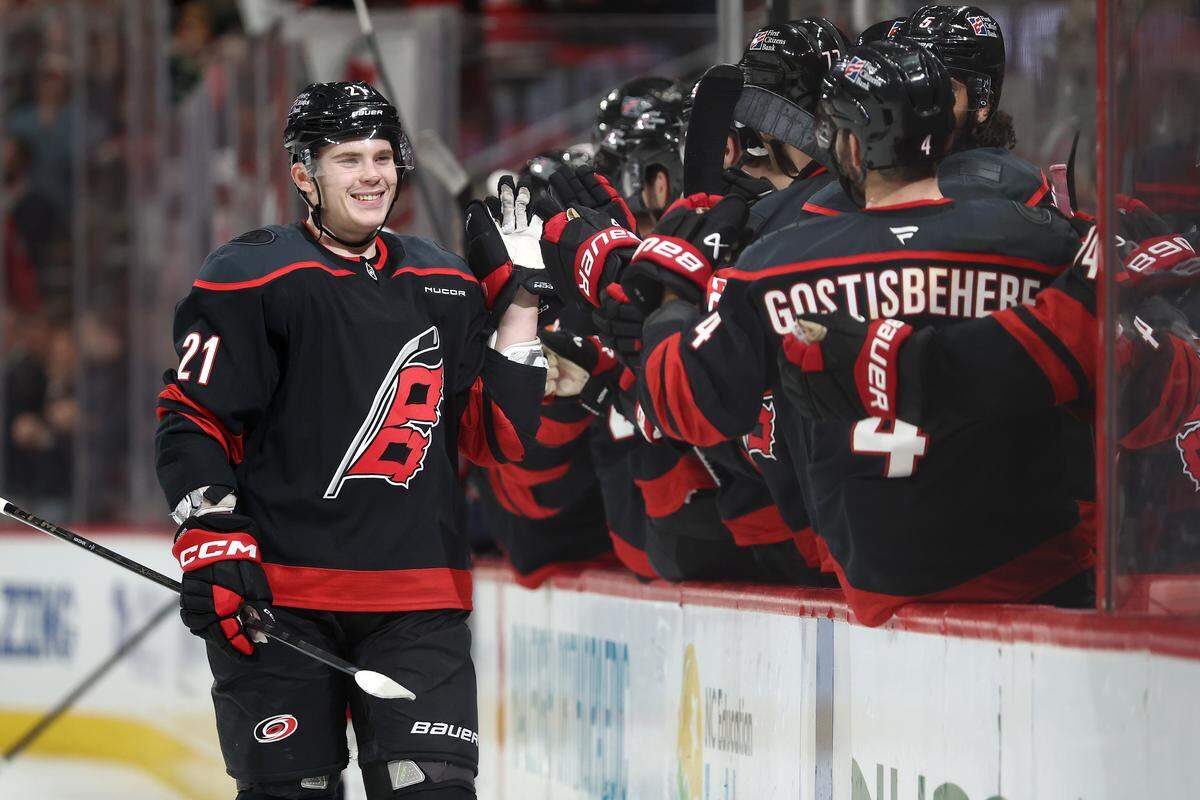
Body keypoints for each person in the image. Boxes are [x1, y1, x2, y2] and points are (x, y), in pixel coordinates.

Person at [155, 81, 547, 800]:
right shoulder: (251, 276)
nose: (371, 174)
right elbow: (191, 418)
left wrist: (521, 309)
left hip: (418, 602)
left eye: (381, 157)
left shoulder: (445, 282)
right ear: (304, 176)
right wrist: (210, 533)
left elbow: (493, 438)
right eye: (347, 159)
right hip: (280, 600)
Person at [642, 39, 1092, 626]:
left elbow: (686, 407)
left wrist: (673, 298)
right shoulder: (1043, 240)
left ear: (850, 145)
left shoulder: (772, 265)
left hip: (877, 590)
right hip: (1043, 576)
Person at [801, 5, 1051, 217]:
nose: (919, 101)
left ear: (982, 103)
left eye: (945, 89)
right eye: (911, 83)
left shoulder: (1017, 190)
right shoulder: (1023, 185)